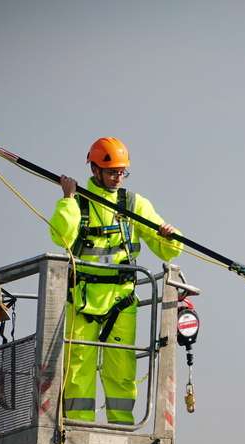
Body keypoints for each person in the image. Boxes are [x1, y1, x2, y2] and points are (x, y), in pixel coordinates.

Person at [49, 137, 183, 424]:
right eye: (112, 172)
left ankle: (120, 429)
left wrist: (169, 235)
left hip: (121, 301)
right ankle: (78, 428)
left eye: (122, 172)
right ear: (95, 170)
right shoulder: (79, 201)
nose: (117, 178)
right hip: (83, 301)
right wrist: (68, 199)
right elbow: (60, 235)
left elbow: (165, 249)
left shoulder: (134, 204)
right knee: (77, 370)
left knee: (121, 371)